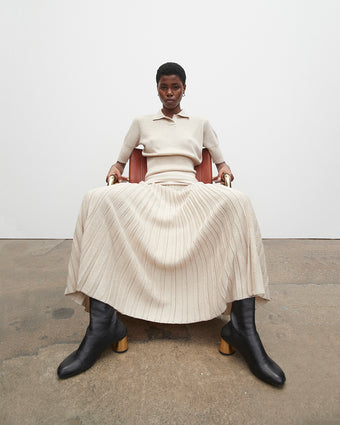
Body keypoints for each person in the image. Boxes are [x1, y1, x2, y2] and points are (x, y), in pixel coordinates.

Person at [57, 62, 285, 387]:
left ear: (184, 89)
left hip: (190, 189)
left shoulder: (201, 123)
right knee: (95, 199)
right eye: (164, 87)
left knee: (241, 202)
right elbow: (118, 163)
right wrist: (115, 175)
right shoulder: (141, 122)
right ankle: (103, 324)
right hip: (151, 190)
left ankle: (242, 328)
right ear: (157, 89)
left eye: (175, 87)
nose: (169, 93)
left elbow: (222, 164)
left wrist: (224, 175)